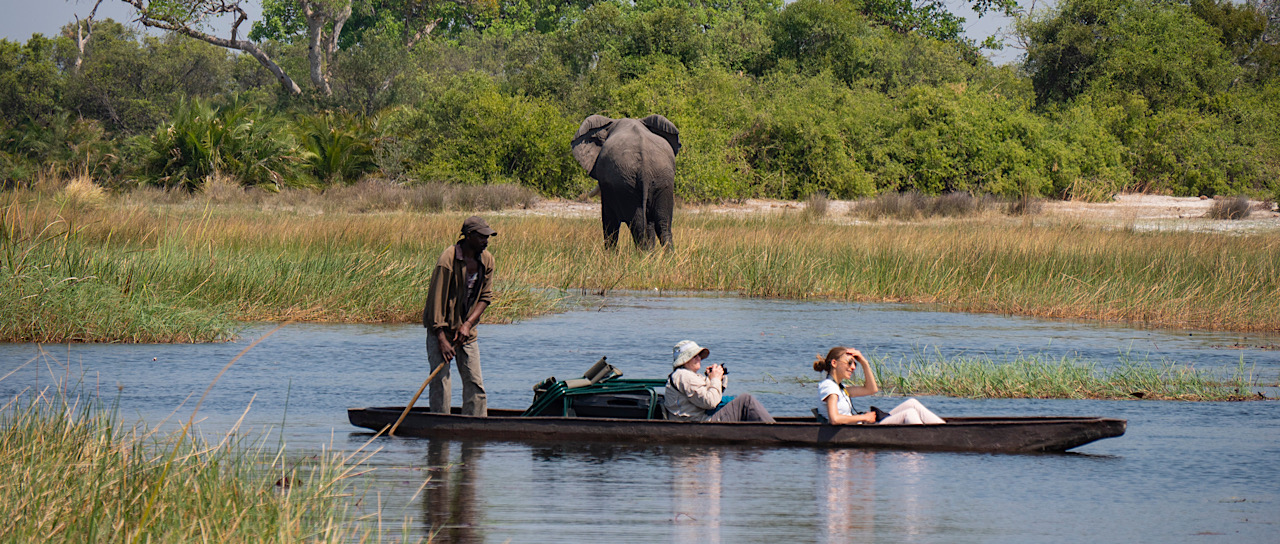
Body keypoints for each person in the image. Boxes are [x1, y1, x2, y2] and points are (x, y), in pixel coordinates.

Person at [423, 216, 497, 416]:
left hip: (467, 332)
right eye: (482, 237)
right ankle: (440, 424)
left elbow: (485, 297)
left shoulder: (487, 259)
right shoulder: (448, 259)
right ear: (469, 236)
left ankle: (475, 425)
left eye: (487, 237)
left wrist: (467, 325)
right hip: (441, 330)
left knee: (474, 381)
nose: (486, 241)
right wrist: (441, 337)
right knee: (441, 381)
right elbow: (435, 302)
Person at [813, 346, 944, 425]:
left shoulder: (841, 388)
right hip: (857, 429)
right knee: (909, 414)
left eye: (855, 364)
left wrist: (864, 363)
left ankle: (943, 431)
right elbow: (834, 419)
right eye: (849, 363)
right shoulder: (829, 387)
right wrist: (864, 417)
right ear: (834, 363)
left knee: (912, 403)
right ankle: (929, 439)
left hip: (861, 424)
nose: (853, 367)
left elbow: (871, 389)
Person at [664, 340, 775, 423]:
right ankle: (773, 430)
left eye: (698, 355)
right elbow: (710, 402)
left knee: (740, 402)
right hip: (699, 422)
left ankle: (769, 426)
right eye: (694, 356)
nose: (698, 358)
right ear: (684, 360)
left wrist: (714, 378)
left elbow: (713, 395)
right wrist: (715, 379)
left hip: (699, 418)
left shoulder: (689, 376)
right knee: (746, 400)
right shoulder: (684, 376)